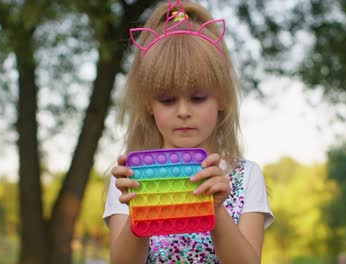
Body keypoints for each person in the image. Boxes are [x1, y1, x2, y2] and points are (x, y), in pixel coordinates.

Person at [103, 0, 273, 263]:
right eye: (168, 100)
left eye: (198, 98)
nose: (183, 111)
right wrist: (142, 207)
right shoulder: (131, 179)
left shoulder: (245, 176)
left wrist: (216, 211)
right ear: (149, 104)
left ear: (222, 99)